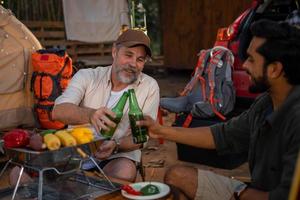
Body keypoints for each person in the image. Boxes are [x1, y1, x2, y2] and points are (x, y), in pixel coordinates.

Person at [138, 19, 300, 200]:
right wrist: (161, 131)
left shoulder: (296, 118)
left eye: (252, 60)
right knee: (178, 176)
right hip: (256, 190)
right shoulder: (266, 103)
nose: (244, 65)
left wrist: (239, 193)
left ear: (275, 70)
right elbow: (222, 135)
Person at [52, 29, 160, 182]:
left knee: (124, 171)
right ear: (114, 52)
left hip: (117, 154)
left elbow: (142, 137)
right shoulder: (86, 76)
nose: (133, 64)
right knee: (19, 173)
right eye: (128, 55)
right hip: (76, 151)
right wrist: (90, 115)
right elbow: (58, 111)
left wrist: (116, 145)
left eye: (140, 59)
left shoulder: (149, 86)